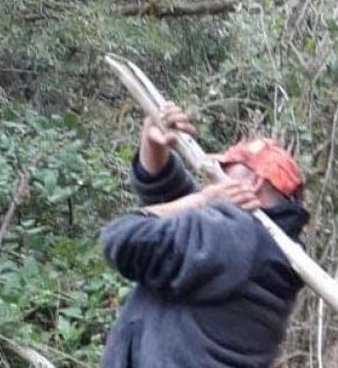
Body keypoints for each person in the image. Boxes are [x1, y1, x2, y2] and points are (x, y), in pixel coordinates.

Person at [99, 103, 309, 367]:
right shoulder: (267, 247)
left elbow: (123, 239)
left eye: (225, 169)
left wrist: (201, 200)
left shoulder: (236, 232)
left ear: (252, 183)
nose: (212, 179)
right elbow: (178, 205)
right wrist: (154, 147)